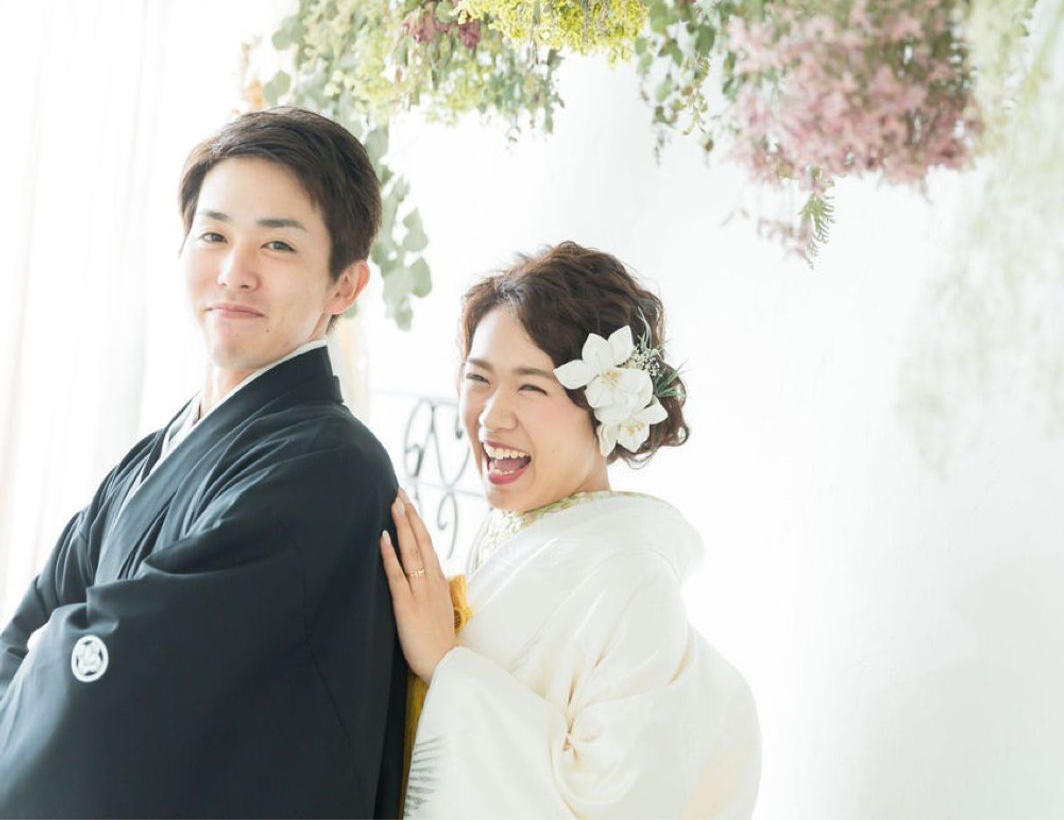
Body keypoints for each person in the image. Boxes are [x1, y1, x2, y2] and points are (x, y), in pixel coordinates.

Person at [0, 107, 406, 817]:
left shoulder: (332, 469)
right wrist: (49, 653)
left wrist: (52, 653)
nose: (233, 272)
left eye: (277, 246)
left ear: (345, 285)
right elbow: (26, 633)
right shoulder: (155, 452)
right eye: (214, 235)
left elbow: (112, 683)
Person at [380, 241, 762, 817]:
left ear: (605, 407)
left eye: (531, 386)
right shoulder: (512, 532)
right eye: (478, 378)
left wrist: (445, 664)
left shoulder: (633, 581)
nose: (491, 415)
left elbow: (608, 802)